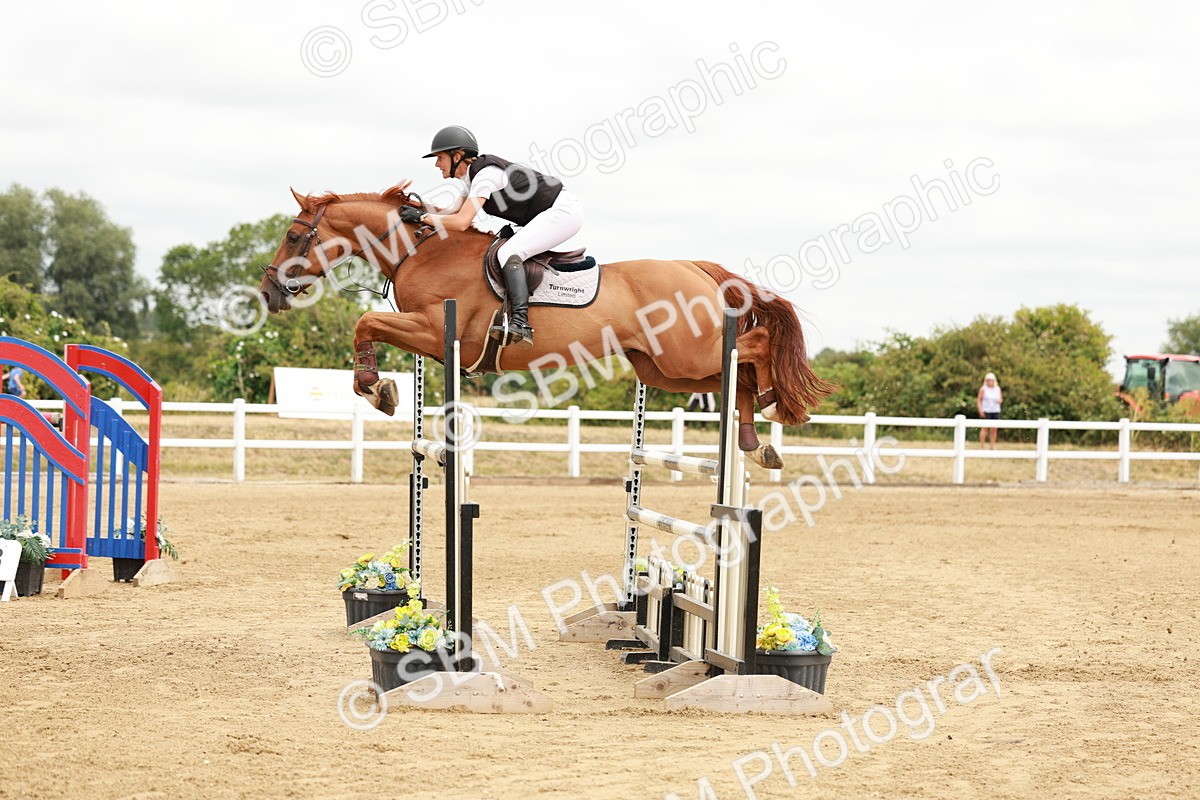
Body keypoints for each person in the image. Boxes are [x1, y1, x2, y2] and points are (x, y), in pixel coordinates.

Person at [404, 125, 584, 346]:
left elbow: (461, 223)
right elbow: (451, 213)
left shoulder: (486, 176)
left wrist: (423, 219)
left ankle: (521, 323)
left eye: (440, 157)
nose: (436, 164)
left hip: (563, 212)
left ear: (457, 156)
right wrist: (420, 212)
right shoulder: (470, 180)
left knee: (509, 251)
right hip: (550, 211)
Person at [977, 372, 1003, 449]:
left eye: (991, 380)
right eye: (988, 380)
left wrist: (999, 401)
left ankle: (992, 446)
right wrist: (980, 410)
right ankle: (982, 446)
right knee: (985, 428)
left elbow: (1001, 399)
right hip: (986, 410)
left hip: (995, 410)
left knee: (994, 429)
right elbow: (979, 400)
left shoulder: (997, 389)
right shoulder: (983, 389)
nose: (990, 382)